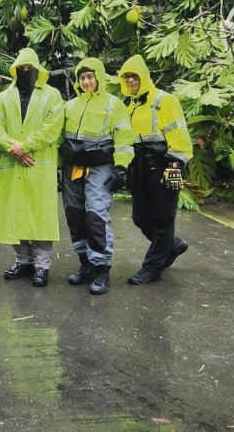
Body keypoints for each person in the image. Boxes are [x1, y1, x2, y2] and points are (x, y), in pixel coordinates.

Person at [0, 48, 65, 287]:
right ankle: (22, 261)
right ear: (14, 71)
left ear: (37, 70)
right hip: (13, 164)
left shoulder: (51, 95)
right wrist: (14, 148)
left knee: (39, 216)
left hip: (38, 163)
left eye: (29, 69)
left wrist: (26, 146)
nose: (25, 72)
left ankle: (42, 266)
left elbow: (53, 126)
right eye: (21, 69)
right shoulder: (3, 98)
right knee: (15, 215)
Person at [60, 58, 134, 295]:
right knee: (75, 214)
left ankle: (102, 269)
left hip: (100, 166)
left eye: (90, 77)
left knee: (95, 216)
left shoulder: (114, 104)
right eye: (82, 78)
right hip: (73, 167)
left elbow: (124, 136)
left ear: (99, 77)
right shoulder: (70, 106)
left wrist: (121, 168)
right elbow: (58, 138)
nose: (86, 81)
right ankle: (85, 264)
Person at [119, 55, 193, 285]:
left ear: (143, 76)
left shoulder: (165, 99)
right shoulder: (127, 104)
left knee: (163, 217)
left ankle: (152, 267)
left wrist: (175, 163)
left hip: (164, 162)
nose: (131, 81)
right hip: (138, 166)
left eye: (134, 76)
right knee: (140, 217)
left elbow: (178, 132)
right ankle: (172, 245)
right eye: (127, 77)